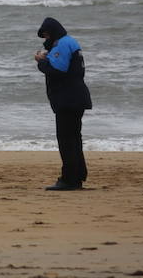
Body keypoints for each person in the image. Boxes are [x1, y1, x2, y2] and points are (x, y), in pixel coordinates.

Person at [35, 17, 92, 191]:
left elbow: (57, 70)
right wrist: (47, 55)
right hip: (75, 97)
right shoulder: (68, 42)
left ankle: (68, 179)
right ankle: (78, 177)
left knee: (66, 140)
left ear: (51, 32)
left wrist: (40, 61)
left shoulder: (62, 44)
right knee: (74, 139)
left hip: (68, 99)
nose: (45, 40)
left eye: (46, 36)